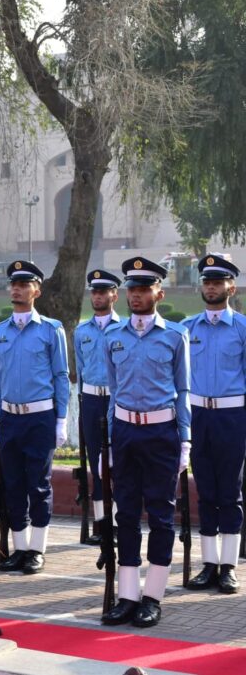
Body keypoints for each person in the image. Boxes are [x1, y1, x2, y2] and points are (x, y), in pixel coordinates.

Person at [102, 257, 191, 628]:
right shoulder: (113, 337)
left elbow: (184, 390)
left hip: (160, 433)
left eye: (144, 289)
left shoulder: (174, 336)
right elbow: (112, 392)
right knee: (125, 514)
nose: (136, 296)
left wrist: (185, 440)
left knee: (159, 514)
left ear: (159, 292)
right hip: (124, 432)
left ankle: (152, 596)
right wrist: (110, 439)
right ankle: (126, 596)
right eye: (132, 289)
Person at [0, 260, 69, 575]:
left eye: (24, 284)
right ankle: (19, 548)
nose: (17, 288)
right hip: (10, 418)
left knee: (38, 484)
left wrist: (61, 419)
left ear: (37, 290)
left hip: (40, 417)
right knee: (13, 483)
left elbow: (61, 376)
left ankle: (37, 548)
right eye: (14, 284)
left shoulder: (51, 330)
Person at [183, 254, 244, 594]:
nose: (211, 287)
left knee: (230, 492)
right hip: (198, 415)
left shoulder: (243, 328)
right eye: (207, 282)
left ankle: (229, 566)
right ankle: (208, 565)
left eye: (217, 282)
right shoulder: (187, 329)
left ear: (230, 287)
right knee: (204, 491)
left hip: (232, 415)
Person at [74, 269, 124, 545]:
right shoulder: (81, 331)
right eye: (94, 291)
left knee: (118, 463)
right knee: (96, 463)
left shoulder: (125, 328)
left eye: (103, 291)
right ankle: (100, 523)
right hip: (91, 400)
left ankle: (116, 523)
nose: (98, 296)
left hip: (116, 400)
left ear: (114, 295)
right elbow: (80, 371)